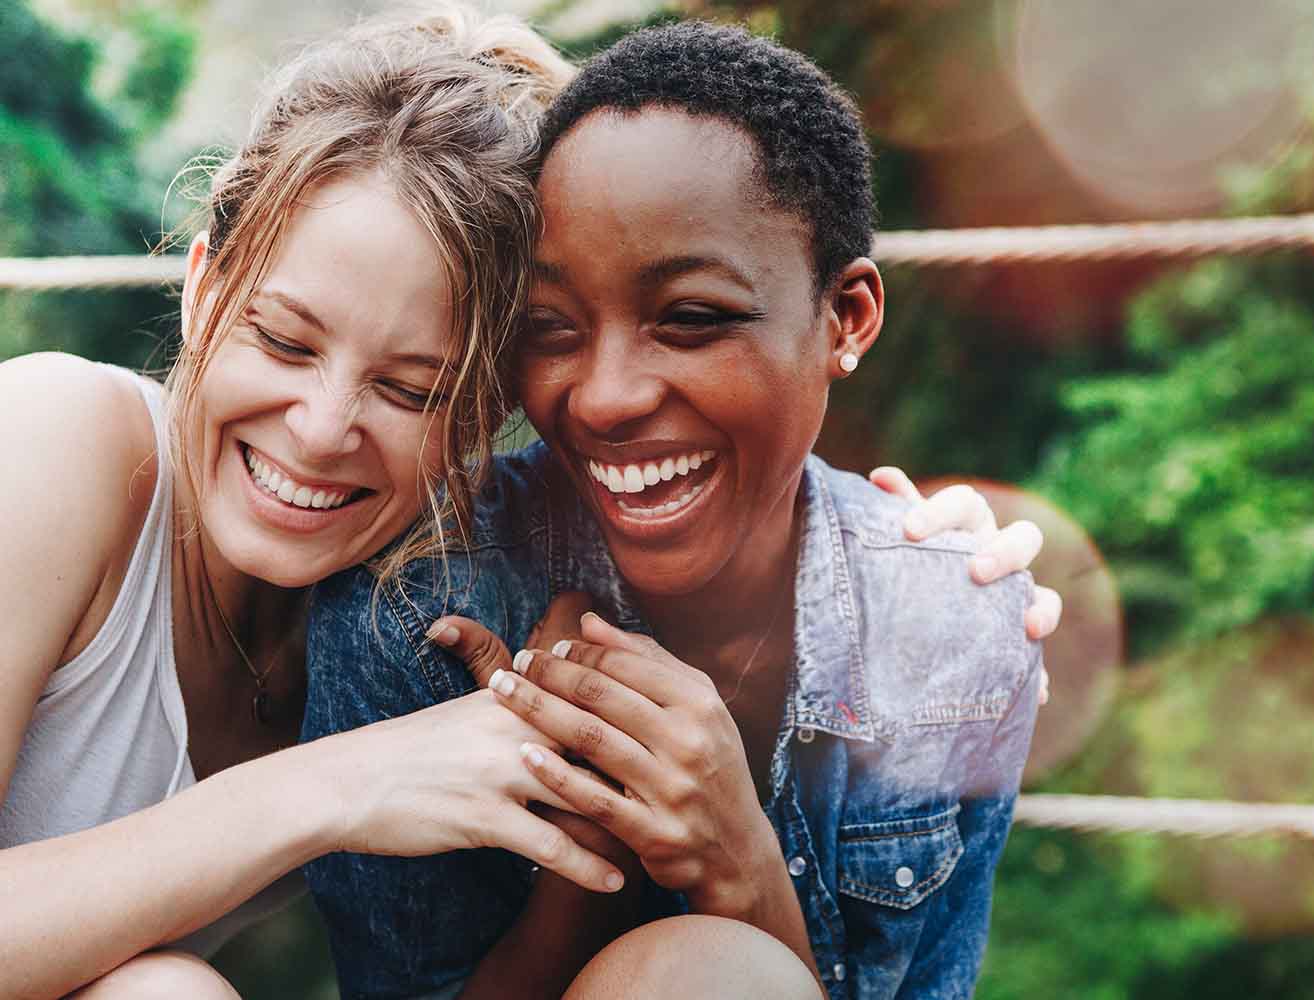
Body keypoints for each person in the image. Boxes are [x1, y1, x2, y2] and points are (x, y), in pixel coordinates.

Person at [0, 8, 1052, 997]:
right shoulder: (58, 439)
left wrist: (910, 569)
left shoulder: (410, 594)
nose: (320, 427)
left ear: (488, 412)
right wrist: (331, 786)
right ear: (201, 286)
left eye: (412, 389)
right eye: (282, 338)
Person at [303, 21, 1041, 1000]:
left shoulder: (957, 630)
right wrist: (583, 861)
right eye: (549, 327)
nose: (604, 396)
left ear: (845, 318)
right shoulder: (416, 609)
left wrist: (738, 862)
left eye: (690, 318)